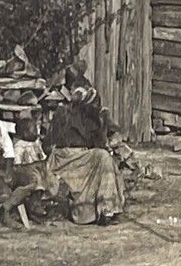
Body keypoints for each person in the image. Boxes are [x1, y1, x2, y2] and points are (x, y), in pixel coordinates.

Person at [46, 84, 127, 225]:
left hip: (59, 160)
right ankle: (106, 208)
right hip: (75, 160)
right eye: (96, 104)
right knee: (104, 158)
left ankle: (97, 209)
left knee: (103, 158)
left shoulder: (61, 112)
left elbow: (47, 143)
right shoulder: (89, 117)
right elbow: (99, 144)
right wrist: (103, 123)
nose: (97, 107)